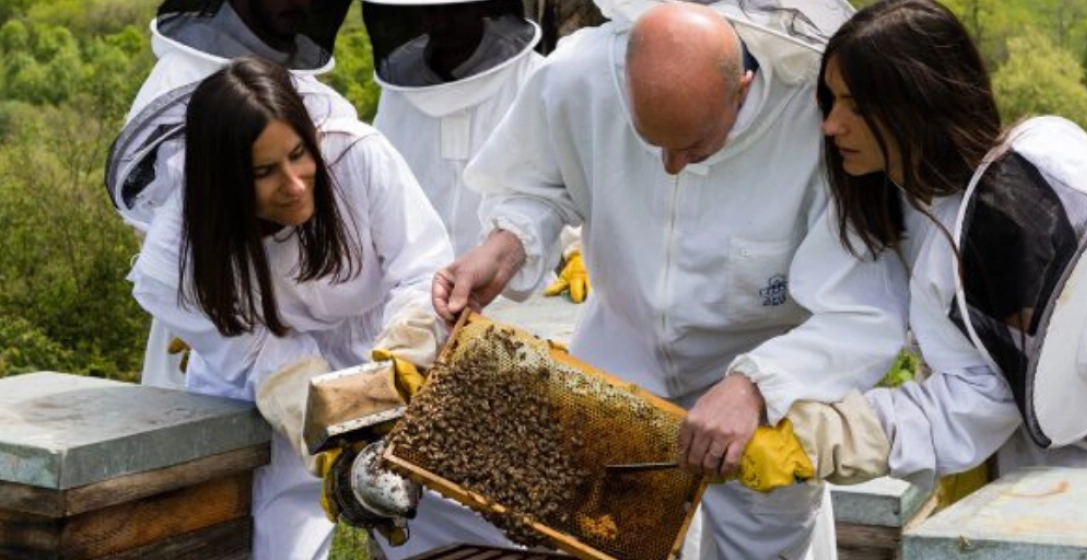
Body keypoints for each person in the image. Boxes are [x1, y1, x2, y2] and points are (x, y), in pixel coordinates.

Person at [431, 2, 908, 558]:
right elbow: (537, 184)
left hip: (764, 394)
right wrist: (505, 245)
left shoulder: (814, 117)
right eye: (652, 143)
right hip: (618, 364)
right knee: (600, 540)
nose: (671, 166)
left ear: (742, 88)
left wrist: (758, 383)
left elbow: (862, 307)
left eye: (693, 147)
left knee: (764, 546)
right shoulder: (578, 77)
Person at [739, 0, 1087, 500]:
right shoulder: (910, 201)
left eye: (856, 105)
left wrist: (827, 437)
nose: (831, 126)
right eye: (831, 101)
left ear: (915, 102)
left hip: (1085, 474)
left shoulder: (1007, 219)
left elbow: (982, 397)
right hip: (1019, 466)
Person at [127, 58, 453, 560]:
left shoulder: (357, 156)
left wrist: (406, 357)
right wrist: (336, 431)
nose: (296, 183)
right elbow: (267, 356)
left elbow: (421, 268)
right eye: (264, 172)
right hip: (260, 375)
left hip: (380, 344)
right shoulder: (179, 252)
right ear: (226, 183)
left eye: (299, 154)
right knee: (278, 535)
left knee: (439, 511)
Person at [110, 0, 354, 390]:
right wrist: (199, 320)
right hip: (209, 310)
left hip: (296, 309)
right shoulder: (180, 75)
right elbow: (151, 210)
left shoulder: (312, 87)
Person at [364, 0, 589, 302]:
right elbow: (380, 188)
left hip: (516, 293)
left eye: (456, 9)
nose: (442, 23)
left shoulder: (535, 78)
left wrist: (578, 248)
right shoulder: (397, 94)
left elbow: (564, 177)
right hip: (419, 297)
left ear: (482, 6)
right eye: (432, 11)